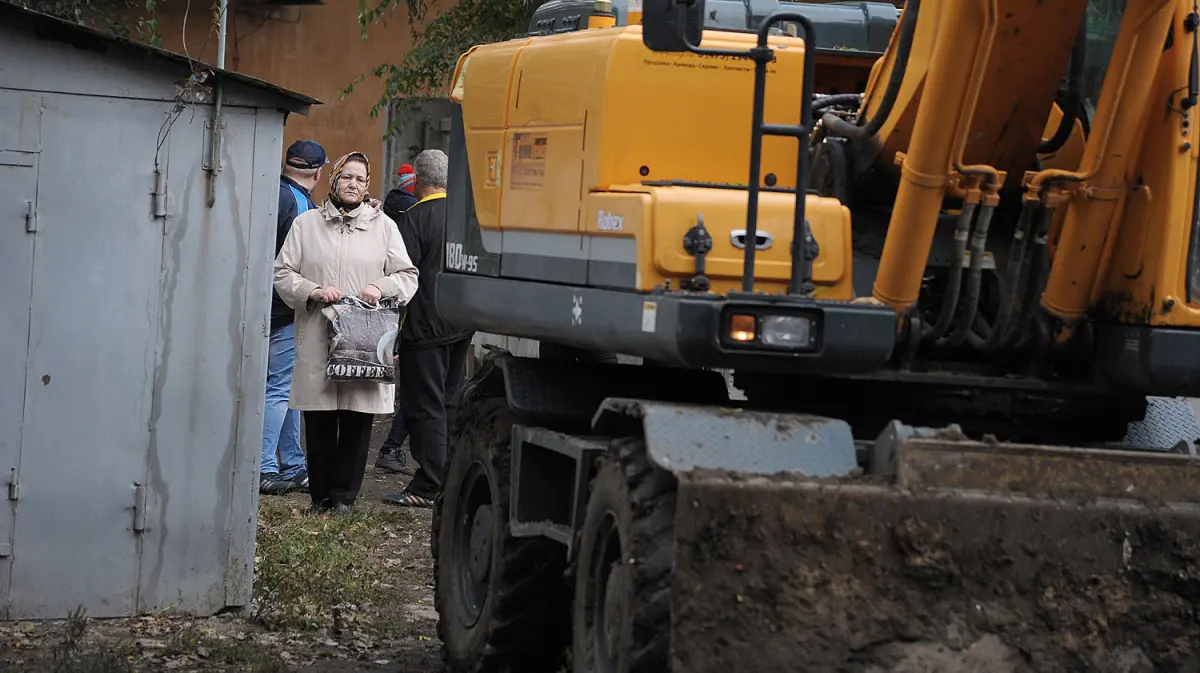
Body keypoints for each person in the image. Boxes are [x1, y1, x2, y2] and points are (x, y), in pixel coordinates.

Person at [273, 151, 419, 513]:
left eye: (360, 179)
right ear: (334, 179)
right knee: (319, 416)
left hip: (364, 339)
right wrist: (312, 290)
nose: (352, 184)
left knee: (356, 418)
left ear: (367, 185)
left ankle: (344, 499)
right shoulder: (306, 225)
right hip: (319, 332)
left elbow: (407, 275)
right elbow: (282, 272)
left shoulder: (384, 226)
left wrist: (379, 288)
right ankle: (320, 496)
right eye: (346, 177)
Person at [383, 149, 475, 509]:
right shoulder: (467, 217)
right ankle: (451, 477)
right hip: (461, 324)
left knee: (423, 406)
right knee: (450, 402)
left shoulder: (414, 219)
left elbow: (402, 275)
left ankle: (428, 483)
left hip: (425, 328)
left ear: (417, 182)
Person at [260, 139, 327, 496]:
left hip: (261, 306)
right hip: (286, 308)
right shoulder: (301, 206)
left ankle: (293, 462)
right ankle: (264, 466)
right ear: (317, 173)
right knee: (280, 387)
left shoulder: (271, 191)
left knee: (283, 385)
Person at [375, 163, 421, 476]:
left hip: (392, 307)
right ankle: (391, 448)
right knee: (418, 389)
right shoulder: (414, 216)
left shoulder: (389, 212)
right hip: (409, 310)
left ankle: (391, 448)